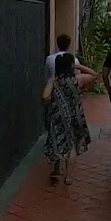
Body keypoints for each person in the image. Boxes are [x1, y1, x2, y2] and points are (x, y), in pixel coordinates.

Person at [39, 34, 89, 181]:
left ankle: (56, 169)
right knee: (71, 144)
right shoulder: (76, 77)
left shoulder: (50, 65)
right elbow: (92, 74)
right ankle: (68, 177)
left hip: (57, 114)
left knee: (56, 139)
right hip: (74, 114)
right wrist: (78, 67)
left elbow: (45, 97)